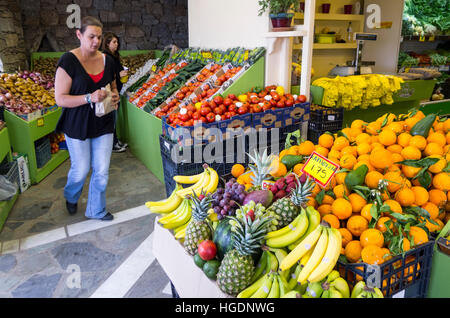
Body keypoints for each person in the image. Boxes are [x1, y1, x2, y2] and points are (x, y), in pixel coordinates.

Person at [54, 16, 120, 221]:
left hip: (103, 123)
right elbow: (60, 99)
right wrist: (88, 98)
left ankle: (96, 209)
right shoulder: (68, 61)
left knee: (101, 171)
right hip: (77, 125)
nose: (96, 42)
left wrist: (115, 95)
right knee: (81, 170)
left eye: (99, 37)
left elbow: (114, 85)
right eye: (91, 36)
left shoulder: (107, 60)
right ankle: (71, 195)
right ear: (79, 35)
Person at [101, 32, 128, 153]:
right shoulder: (106, 57)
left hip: (116, 90)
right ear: (107, 43)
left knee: (114, 118)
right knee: (112, 118)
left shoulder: (114, 56)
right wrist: (118, 75)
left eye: (117, 42)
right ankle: (113, 144)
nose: (117, 44)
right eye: (114, 42)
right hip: (111, 93)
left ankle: (115, 140)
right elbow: (108, 76)